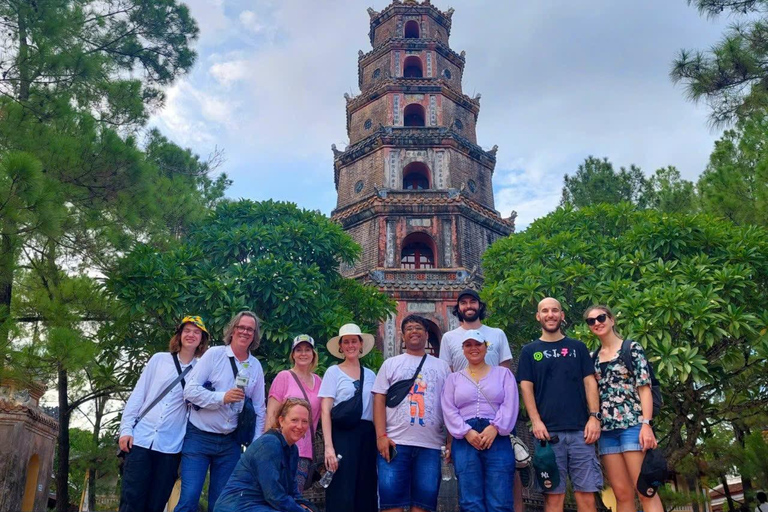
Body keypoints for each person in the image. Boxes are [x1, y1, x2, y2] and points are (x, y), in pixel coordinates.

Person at [517, 297, 602, 512]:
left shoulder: (577, 347)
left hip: (581, 432)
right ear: (538, 316)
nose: (550, 314)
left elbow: (590, 382)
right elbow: (526, 388)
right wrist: (536, 421)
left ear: (562, 315)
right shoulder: (529, 351)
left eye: (555, 310)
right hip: (548, 435)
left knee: (587, 495)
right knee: (553, 497)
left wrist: (594, 417)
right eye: (545, 311)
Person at [176, 311, 267, 512]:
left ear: (254, 335)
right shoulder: (215, 354)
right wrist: (222, 397)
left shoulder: (255, 366)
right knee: (189, 499)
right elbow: (189, 391)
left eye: (250, 329)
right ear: (233, 330)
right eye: (241, 327)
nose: (245, 332)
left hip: (230, 443)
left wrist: (256, 444)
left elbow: (260, 409)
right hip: (199, 437)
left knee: (222, 505)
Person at [118, 316, 209, 512]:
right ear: (179, 334)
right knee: (131, 500)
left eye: (196, 332)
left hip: (170, 446)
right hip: (141, 440)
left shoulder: (202, 369)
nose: (191, 335)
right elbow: (138, 394)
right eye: (187, 330)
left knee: (157, 504)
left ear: (202, 339)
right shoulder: (159, 360)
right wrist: (126, 429)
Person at [585, 305, 662, 512]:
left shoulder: (631, 348)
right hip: (607, 431)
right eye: (591, 321)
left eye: (601, 317)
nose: (597, 323)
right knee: (621, 494)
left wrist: (647, 424)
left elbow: (644, 389)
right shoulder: (592, 357)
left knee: (645, 490)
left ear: (611, 320)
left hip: (633, 426)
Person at [373, 315, 451, 512]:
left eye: (418, 328)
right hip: (395, 443)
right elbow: (379, 399)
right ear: (402, 335)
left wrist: (451, 441)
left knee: (423, 505)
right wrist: (381, 436)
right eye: (409, 328)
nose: (414, 331)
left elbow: (450, 404)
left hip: (430, 446)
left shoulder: (442, 367)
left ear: (427, 334)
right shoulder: (391, 364)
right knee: (392, 504)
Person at [441, 329, 519, 512]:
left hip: (497, 436)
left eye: (478, 344)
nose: (473, 348)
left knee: (500, 499)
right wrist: (466, 431)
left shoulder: (503, 374)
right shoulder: (453, 379)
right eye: (468, 345)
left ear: (486, 348)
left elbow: (510, 404)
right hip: (466, 437)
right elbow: (449, 408)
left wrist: (495, 428)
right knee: (470, 500)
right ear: (463, 349)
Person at [215, 398, 319, 512]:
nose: (300, 426)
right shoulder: (269, 444)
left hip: (262, 505)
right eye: (294, 420)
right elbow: (274, 495)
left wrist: (308, 507)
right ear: (281, 421)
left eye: (304, 421)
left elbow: (293, 491)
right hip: (239, 506)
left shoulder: (293, 450)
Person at [318, 323, 378, 512]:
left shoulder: (371, 375)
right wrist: (329, 447)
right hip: (342, 435)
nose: (350, 345)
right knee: (341, 491)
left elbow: (376, 410)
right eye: (346, 342)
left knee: (365, 489)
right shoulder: (333, 372)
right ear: (341, 346)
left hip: (367, 435)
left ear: (361, 345)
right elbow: (325, 410)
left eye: (354, 341)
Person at [264, 334, 322, 493]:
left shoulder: (319, 382)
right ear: (293, 354)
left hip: (305, 453)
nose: (303, 353)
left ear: (313, 354)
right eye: (299, 350)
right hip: (282, 448)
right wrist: (268, 448)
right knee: (276, 496)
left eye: (307, 350)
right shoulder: (284, 377)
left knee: (295, 497)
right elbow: (271, 414)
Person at [439, 289, 512, 372]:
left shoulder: (497, 334)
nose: (468, 306)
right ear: (458, 309)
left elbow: (506, 370)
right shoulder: (448, 338)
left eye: (473, 302)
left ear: (480, 306)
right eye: (463, 303)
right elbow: (447, 372)